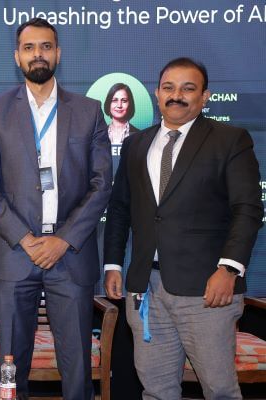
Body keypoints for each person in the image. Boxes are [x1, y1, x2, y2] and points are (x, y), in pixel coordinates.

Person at [103, 57, 263, 399]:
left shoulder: (230, 140)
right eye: (169, 88)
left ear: (205, 97)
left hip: (207, 291)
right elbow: (119, 208)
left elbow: (248, 209)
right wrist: (113, 264)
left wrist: (228, 269)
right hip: (145, 289)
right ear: (157, 94)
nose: (177, 95)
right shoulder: (136, 144)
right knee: (156, 390)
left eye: (188, 89)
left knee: (219, 391)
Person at [0, 18, 112, 400]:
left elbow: (101, 184)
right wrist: (25, 238)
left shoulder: (89, 111)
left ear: (58, 54)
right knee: (10, 366)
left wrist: (62, 240)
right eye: (30, 47)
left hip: (71, 254)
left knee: (77, 366)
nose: (38, 54)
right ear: (17, 57)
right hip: (14, 253)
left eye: (46, 46)